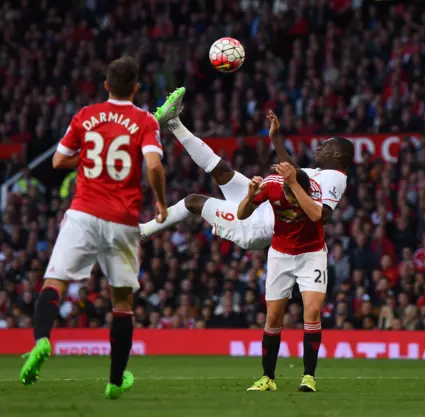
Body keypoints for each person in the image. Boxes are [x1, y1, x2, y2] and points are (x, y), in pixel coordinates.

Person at [19, 56, 167, 400]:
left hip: (83, 213)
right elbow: (154, 165)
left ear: (106, 85)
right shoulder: (143, 120)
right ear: (136, 87)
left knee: (54, 281)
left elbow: (58, 161)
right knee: (122, 302)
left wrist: (87, 159)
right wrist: (160, 201)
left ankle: (42, 339)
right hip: (122, 219)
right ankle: (115, 381)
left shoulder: (85, 116)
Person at [139, 87, 353, 247]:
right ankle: (173, 122)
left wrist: (290, 190)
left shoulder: (336, 177)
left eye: (326, 146)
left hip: (258, 225)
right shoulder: (319, 174)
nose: (320, 147)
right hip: (264, 205)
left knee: (193, 201)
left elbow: (322, 216)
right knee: (222, 170)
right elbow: (294, 171)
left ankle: (140, 233)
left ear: (337, 155)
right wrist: (276, 140)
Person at [237, 163, 326, 393]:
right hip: (280, 255)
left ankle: (309, 377)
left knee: (313, 312)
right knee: (273, 317)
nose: (294, 205)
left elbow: (317, 214)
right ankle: (268, 378)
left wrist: (296, 186)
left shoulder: (312, 188)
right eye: (291, 199)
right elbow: (241, 214)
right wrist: (249, 197)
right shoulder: (271, 186)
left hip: (312, 253)